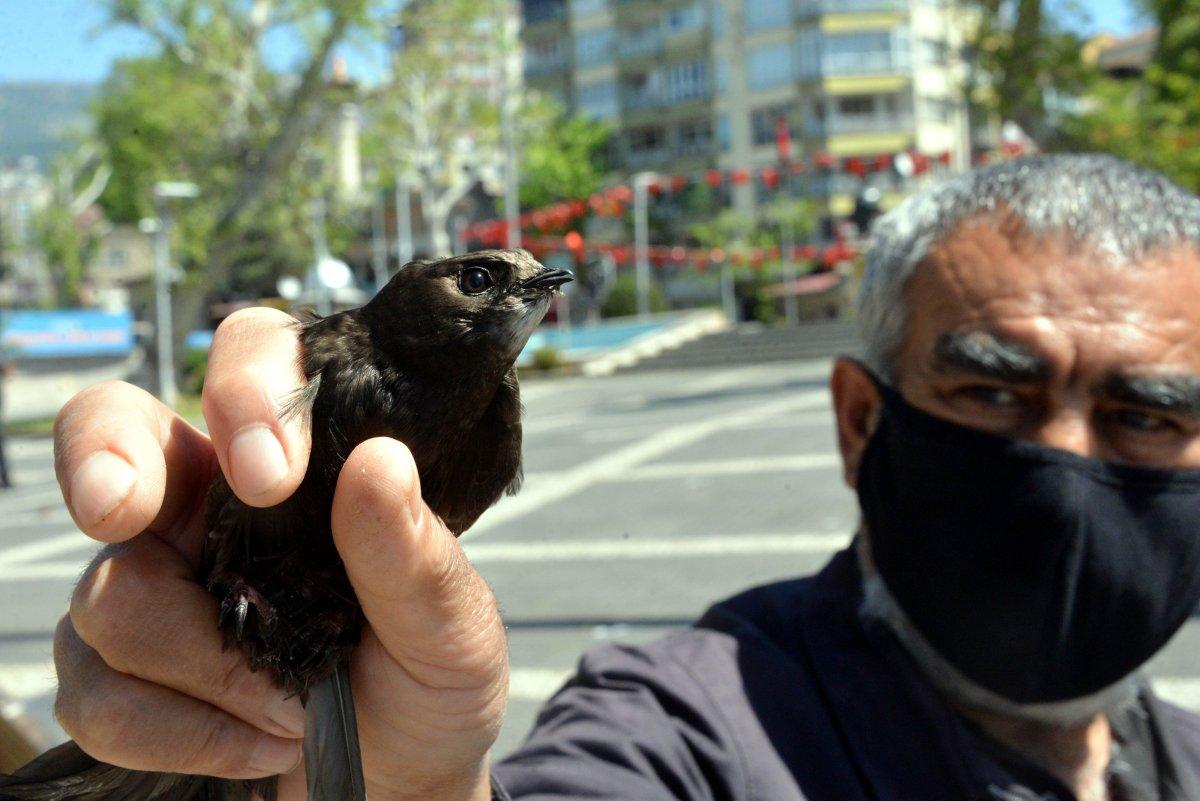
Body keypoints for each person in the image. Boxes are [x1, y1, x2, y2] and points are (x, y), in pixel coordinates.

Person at [46, 154, 1200, 801]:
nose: (1065, 463)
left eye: (1151, 413)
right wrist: (405, 788)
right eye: (993, 391)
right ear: (859, 418)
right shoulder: (690, 731)